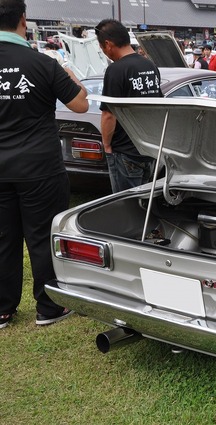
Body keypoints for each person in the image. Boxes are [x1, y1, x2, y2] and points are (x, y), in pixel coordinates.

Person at [0, 0, 88, 328]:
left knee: (3, 237)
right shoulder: (42, 63)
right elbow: (81, 104)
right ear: (23, 19)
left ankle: (3, 309)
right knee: (40, 235)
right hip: (38, 166)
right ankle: (48, 307)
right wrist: (69, 75)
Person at [95, 19, 162, 193]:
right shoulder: (150, 65)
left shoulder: (116, 70)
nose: (104, 52)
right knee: (144, 202)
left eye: (102, 48)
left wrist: (106, 145)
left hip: (125, 151)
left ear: (108, 44)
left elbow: (109, 114)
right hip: (149, 149)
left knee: (125, 206)